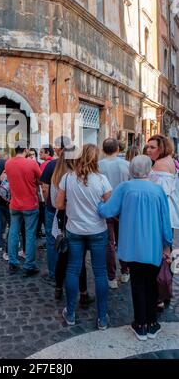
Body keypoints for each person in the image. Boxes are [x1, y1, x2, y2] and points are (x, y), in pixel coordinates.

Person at [98, 155, 172, 341]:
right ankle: (152, 323)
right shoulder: (158, 190)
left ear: (132, 170)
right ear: (149, 170)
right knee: (151, 283)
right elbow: (165, 221)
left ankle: (140, 324)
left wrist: (99, 204)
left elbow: (108, 210)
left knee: (137, 283)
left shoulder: (125, 188)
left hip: (132, 246)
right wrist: (167, 245)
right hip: (153, 246)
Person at [56, 144, 112, 329]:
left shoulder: (67, 178)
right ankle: (102, 317)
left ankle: (70, 313)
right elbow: (109, 208)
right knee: (100, 272)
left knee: (72, 270)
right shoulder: (102, 179)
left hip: (75, 230)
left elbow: (59, 205)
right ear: (95, 159)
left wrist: (73, 203)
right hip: (97, 231)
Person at [50, 151, 95, 308]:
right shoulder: (74, 178)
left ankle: (58, 287)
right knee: (78, 259)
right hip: (73, 222)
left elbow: (54, 202)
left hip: (61, 222)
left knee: (62, 257)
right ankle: (83, 293)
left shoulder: (57, 177)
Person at [147, 134, 179, 310]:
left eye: (153, 147)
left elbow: (161, 197)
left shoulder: (160, 165)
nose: (149, 150)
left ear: (162, 147)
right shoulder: (170, 161)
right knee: (167, 254)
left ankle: (159, 295)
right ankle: (165, 291)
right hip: (170, 216)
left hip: (161, 217)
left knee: (161, 254)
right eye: (148, 147)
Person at [5, 141, 41, 276]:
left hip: (14, 204)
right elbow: (41, 179)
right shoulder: (31, 163)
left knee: (13, 233)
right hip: (30, 204)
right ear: (26, 149)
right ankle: (29, 265)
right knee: (30, 234)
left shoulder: (8, 163)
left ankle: (13, 263)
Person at [99, 138, 130, 288]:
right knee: (123, 240)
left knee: (109, 244)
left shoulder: (98, 166)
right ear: (118, 149)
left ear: (103, 150)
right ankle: (125, 272)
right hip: (123, 209)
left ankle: (111, 278)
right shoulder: (127, 165)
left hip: (106, 208)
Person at [40, 136, 71, 284]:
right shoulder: (75, 165)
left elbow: (45, 188)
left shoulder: (51, 165)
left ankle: (54, 274)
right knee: (70, 241)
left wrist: (48, 202)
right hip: (71, 210)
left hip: (53, 208)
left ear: (58, 149)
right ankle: (69, 272)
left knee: (52, 240)